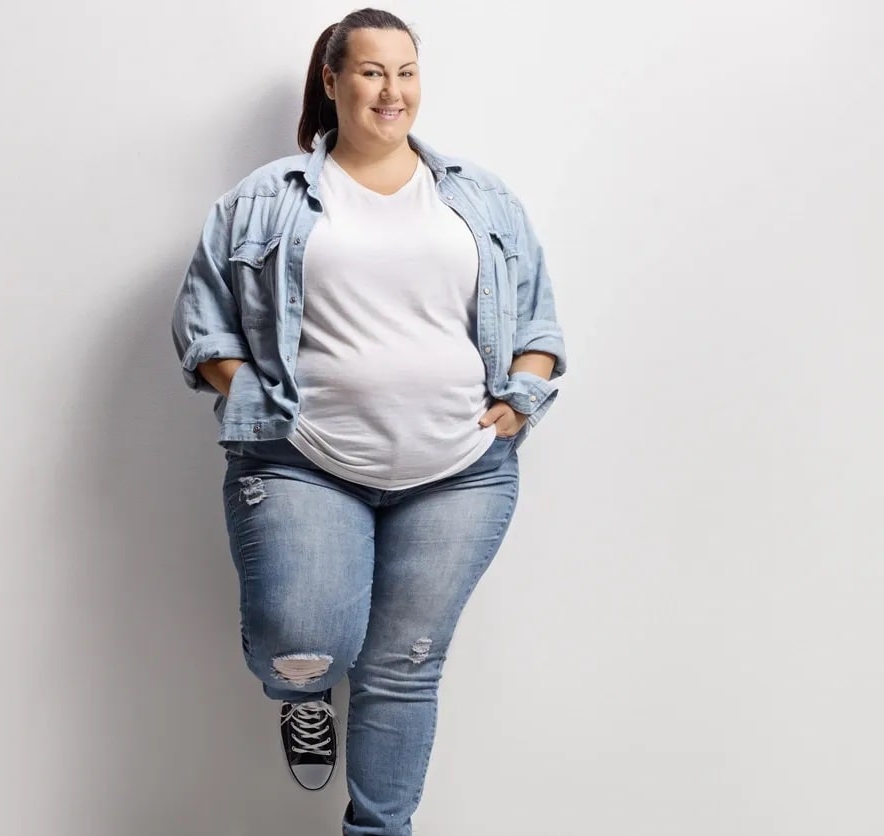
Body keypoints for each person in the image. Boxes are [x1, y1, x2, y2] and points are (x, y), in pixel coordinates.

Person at [170, 8, 566, 834]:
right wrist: (251, 394)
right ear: (333, 80)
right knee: (302, 642)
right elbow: (204, 320)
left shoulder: (481, 197)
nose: (393, 91)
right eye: (372, 72)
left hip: (460, 472)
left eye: (406, 72)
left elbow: (538, 322)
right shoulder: (266, 198)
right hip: (302, 462)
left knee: (403, 668)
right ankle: (305, 691)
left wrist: (522, 397)